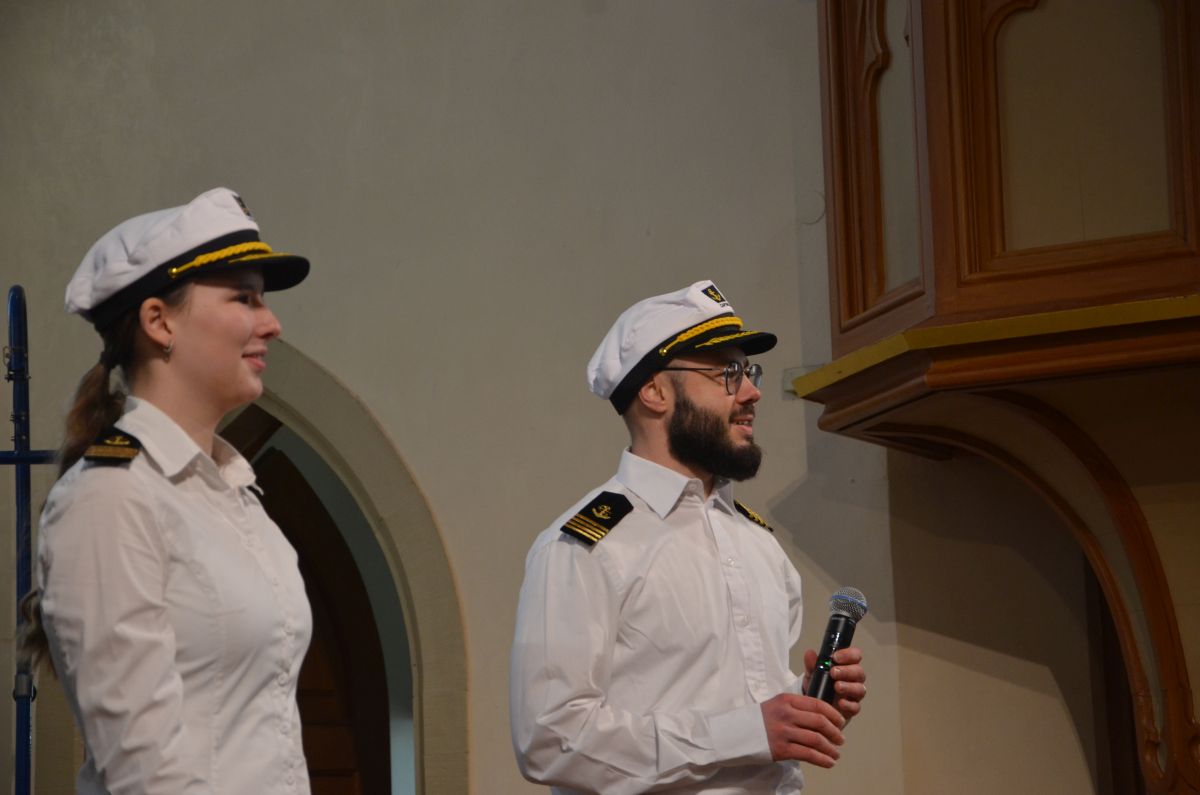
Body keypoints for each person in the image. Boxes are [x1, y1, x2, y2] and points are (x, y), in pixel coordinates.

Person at [510, 280, 867, 794]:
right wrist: (747, 733)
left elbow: (744, 709)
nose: (752, 393)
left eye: (749, 372)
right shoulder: (586, 548)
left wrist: (807, 703)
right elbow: (549, 739)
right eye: (727, 374)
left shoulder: (758, 543)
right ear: (655, 392)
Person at [18, 187, 314, 794]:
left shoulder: (234, 494)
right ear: (159, 321)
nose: (271, 323)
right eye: (244, 298)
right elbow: (144, 770)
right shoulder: (111, 497)